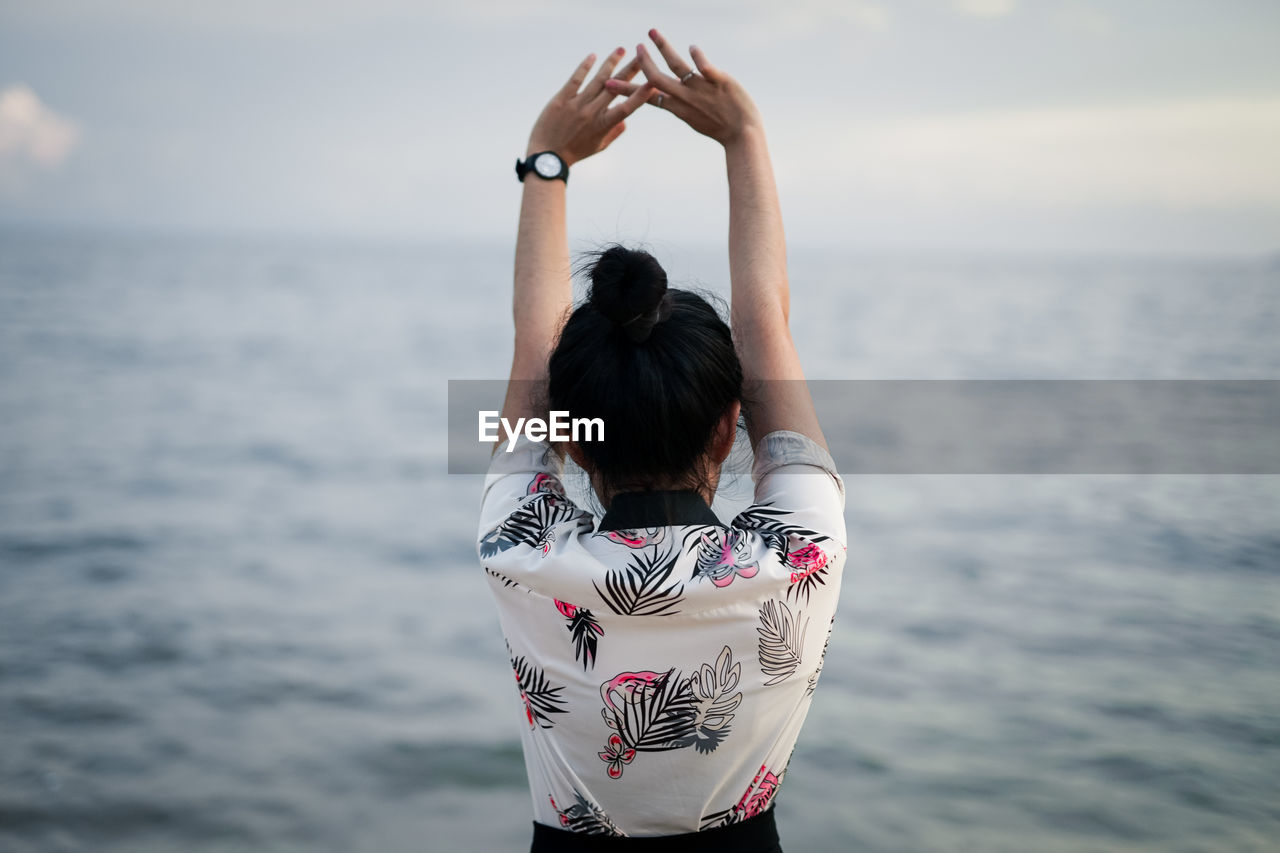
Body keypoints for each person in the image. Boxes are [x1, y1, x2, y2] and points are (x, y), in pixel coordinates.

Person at [477, 28, 847, 853]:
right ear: (732, 421)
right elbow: (766, 325)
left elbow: (533, 345)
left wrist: (547, 161)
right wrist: (743, 137)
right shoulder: (802, 556)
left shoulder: (520, 554)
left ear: (571, 439)